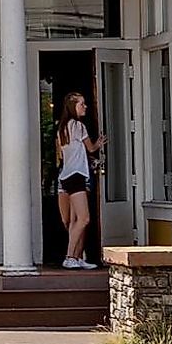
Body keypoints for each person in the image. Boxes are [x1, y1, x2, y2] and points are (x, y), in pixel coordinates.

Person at [55, 91, 101, 269]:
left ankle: (78, 257)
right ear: (73, 106)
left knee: (73, 221)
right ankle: (70, 257)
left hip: (66, 175)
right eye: (82, 104)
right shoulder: (78, 126)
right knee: (84, 219)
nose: (85, 106)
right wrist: (99, 144)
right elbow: (90, 148)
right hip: (77, 176)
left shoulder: (62, 128)